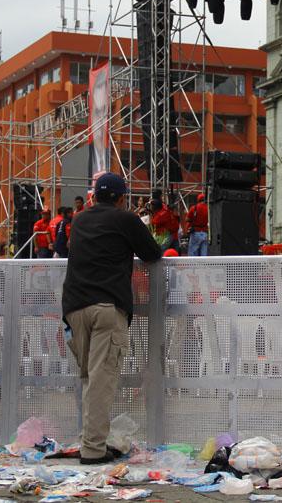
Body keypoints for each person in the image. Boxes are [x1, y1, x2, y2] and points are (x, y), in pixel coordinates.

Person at [62, 173, 162, 464]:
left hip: (74, 308)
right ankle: (93, 450)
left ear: (94, 197)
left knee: (88, 377)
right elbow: (152, 253)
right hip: (106, 307)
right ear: (121, 198)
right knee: (100, 380)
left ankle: (89, 440)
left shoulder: (80, 220)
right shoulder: (125, 219)